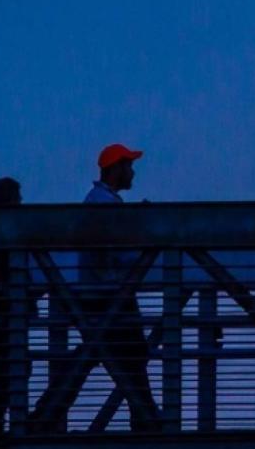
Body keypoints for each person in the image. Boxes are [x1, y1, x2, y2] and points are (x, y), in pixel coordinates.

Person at [75, 143, 161, 432]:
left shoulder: (98, 201)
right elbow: (120, 254)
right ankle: (147, 422)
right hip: (111, 298)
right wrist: (145, 232)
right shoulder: (104, 204)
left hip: (102, 298)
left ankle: (147, 420)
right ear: (116, 169)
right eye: (129, 166)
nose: (132, 172)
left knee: (120, 361)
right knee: (133, 360)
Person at [0, 177, 32, 436]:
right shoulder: (0, 240)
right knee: (6, 371)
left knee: (3, 373)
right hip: (1, 322)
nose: (22, 202)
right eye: (18, 198)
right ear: (9, 202)